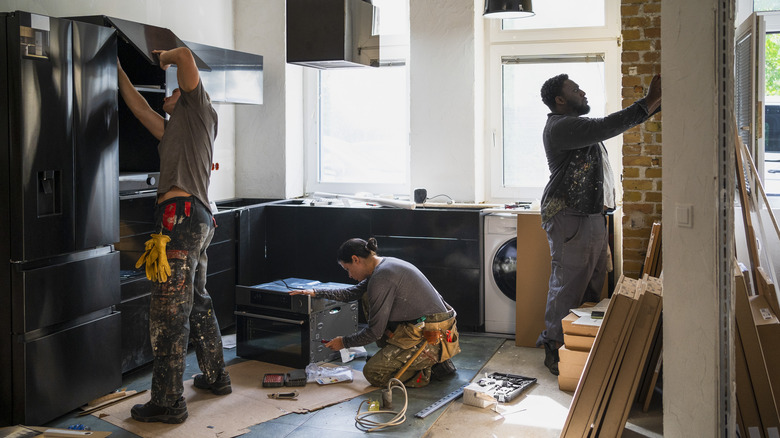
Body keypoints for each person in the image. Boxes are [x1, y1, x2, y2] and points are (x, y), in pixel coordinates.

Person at [118, 47, 230, 424]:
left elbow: (183, 55)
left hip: (179, 221)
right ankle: (217, 376)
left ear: (187, 92)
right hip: (196, 219)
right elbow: (138, 109)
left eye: (174, 89)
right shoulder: (175, 130)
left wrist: (165, 56)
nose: (167, 93)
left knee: (169, 313)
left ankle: (167, 401)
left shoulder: (197, 108)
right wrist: (116, 71)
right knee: (196, 303)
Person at [536, 73, 662, 376]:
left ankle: (580, 345)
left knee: (592, 284)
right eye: (574, 90)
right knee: (568, 284)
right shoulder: (562, 126)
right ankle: (554, 345)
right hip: (569, 215)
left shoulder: (573, 127)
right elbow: (606, 126)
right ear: (560, 101)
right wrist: (648, 102)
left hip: (588, 215)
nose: (583, 91)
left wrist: (655, 105)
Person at [290, 237, 460, 388]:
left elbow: (374, 332)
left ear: (356, 259)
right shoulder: (383, 265)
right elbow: (351, 293)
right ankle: (408, 358)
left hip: (433, 335)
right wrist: (315, 292)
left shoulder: (382, 278)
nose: (349, 275)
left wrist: (344, 342)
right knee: (365, 295)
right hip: (422, 325)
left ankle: (431, 367)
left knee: (373, 373)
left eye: (347, 269)